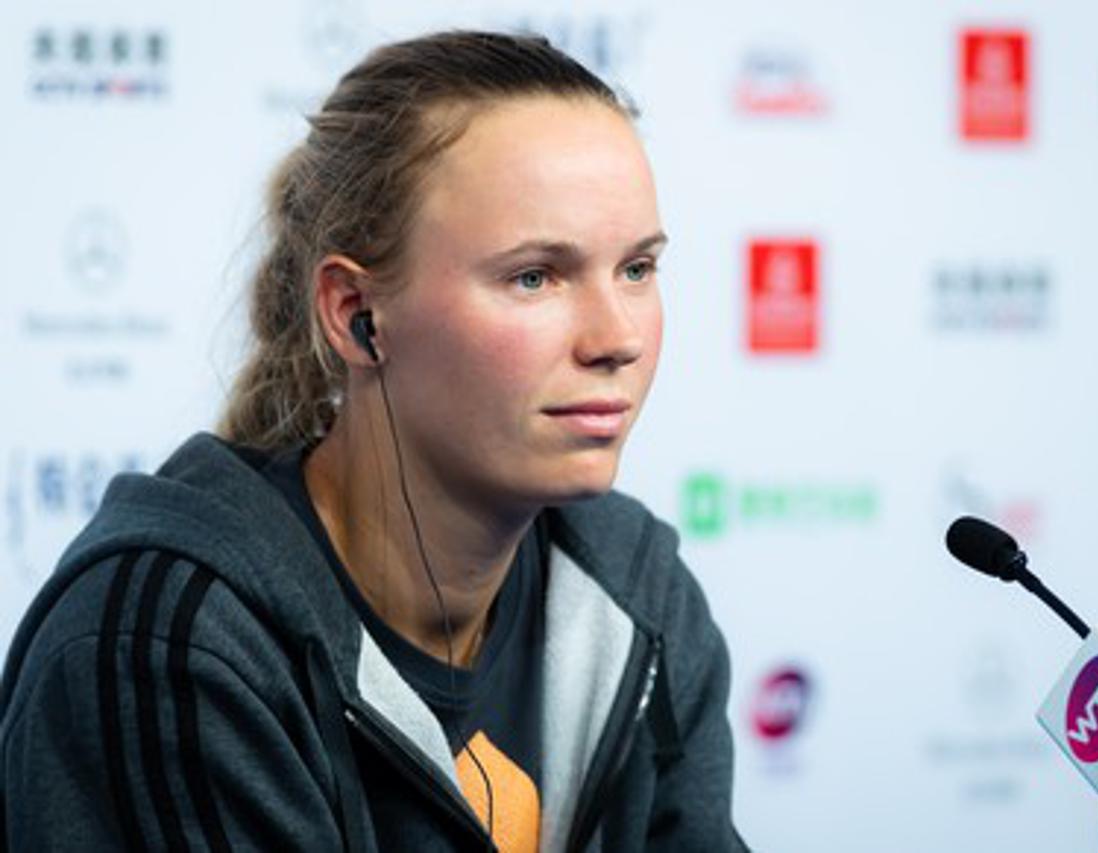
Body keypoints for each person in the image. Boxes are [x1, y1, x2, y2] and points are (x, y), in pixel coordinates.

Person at [0, 31, 745, 852]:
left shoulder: (635, 597)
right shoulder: (167, 644)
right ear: (357, 315)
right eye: (534, 276)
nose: (617, 339)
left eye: (637, 269)